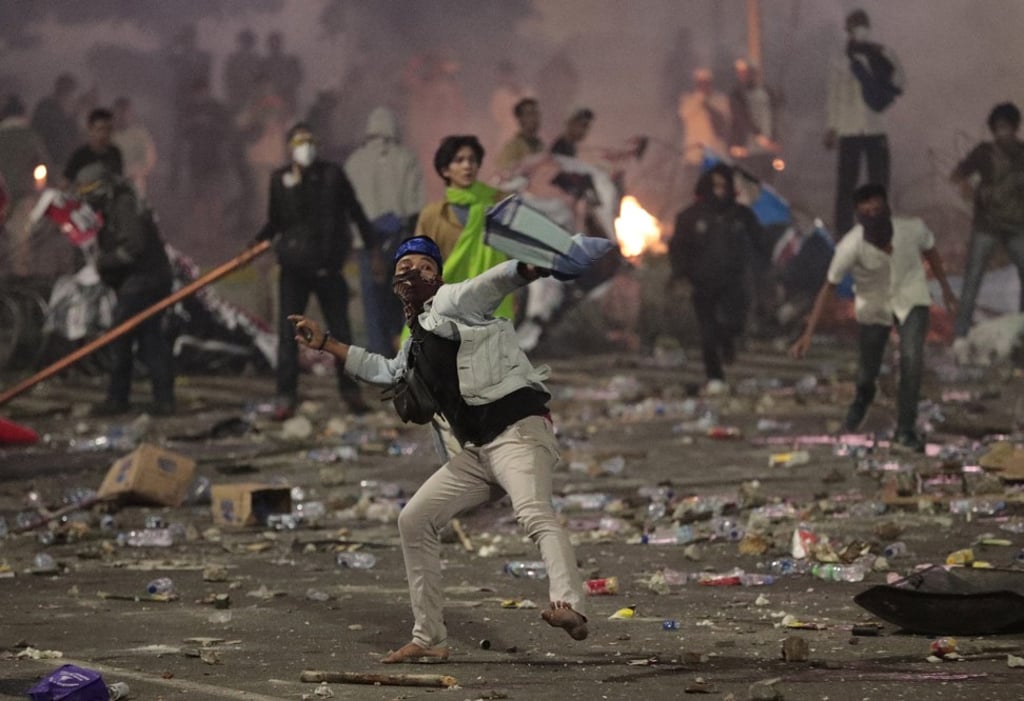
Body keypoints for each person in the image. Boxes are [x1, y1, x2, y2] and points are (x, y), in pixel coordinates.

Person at [288, 236, 589, 663]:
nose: (412, 272)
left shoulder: (452, 302)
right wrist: (326, 344)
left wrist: (536, 267)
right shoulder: (415, 339)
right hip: (476, 453)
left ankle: (570, 605)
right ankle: (429, 638)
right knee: (414, 520)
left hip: (517, 432)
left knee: (533, 512)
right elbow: (388, 371)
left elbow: (492, 282)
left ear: (438, 274)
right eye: (403, 266)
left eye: (423, 265)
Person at [789, 185, 957, 452]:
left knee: (911, 361)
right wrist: (808, 333)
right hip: (873, 307)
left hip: (911, 298)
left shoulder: (911, 229)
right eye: (866, 212)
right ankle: (862, 399)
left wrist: (946, 289)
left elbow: (931, 250)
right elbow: (828, 287)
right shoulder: (850, 246)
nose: (873, 217)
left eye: (877, 210)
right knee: (869, 369)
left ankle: (905, 429)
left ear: (887, 209)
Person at [255, 122, 378, 419]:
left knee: (340, 332)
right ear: (289, 147)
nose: (305, 147)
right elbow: (276, 222)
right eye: (299, 142)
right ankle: (286, 395)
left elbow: (355, 211)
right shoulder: (279, 180)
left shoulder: (332, 176)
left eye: (309, 141)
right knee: (288, 335)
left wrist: (372, 248)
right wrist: (256, 244)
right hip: (294, 269)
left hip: (327, 267)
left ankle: (351, 392)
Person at [75, 162, 176, 416]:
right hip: (145, 279)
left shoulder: (123, 204)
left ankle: (118, 399)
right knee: (150, 339)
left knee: (120, 337)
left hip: (146, 279)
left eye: (91, 191)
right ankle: (163, 399)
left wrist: (102, 263)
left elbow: (133, 248)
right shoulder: (115, 206)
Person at [668, 164, 763, 392]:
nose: (719, 191)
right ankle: (715, 376)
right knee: (707, 331)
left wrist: (762, 276)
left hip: (734, 281)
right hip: (703, 283)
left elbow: (759, 244)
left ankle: (728, 341)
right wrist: (681, 275)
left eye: (723, 185)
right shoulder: (690, 216)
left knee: (734, 323)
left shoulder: (742, 215)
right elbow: (679, 249)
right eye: (715, 185)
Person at [345, 107, 426, 355]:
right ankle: (403, 354)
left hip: (367, 244)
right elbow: (417, 207)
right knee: (404, 302)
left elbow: (347, 210)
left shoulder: (353, 163)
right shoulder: (407, 158)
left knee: (373, 304)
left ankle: (378, 356)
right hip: (400, 239)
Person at [950, 102, 1024, 345]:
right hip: (1000, 226)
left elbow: (957, 174)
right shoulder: (993, 152)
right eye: (1000, 128)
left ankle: (963, 335)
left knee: (973, 279)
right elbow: (958, 175)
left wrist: (968, 188)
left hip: (1003, 226)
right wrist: (966, 188)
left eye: (1005, 127)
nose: (1003, 132)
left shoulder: (993, 151)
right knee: (972, 279)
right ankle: (962, 335)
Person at [825, 9, 904, 237]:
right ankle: (843, 232)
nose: (859, 29)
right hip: (849, 130)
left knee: (878, 183)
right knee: (846, 185)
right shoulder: (840, 59)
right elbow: (834, 96)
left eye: (862, 24)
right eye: (855, 25)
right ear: (848, 30)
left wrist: (886, 57)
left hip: (875, 128)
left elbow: (901, 82)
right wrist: (832, 127)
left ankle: (878, 229)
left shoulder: (882, 53)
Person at [415, 135, 512, 319]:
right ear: (445, 170)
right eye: (459, 160)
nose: (467, 166)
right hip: (448, 304)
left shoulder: (496, 204)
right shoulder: (433, 215)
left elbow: (513, 251)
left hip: (492, 302)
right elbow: (420, 263)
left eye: (472, 160)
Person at [0, 95, 49, 275]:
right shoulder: (30, 136)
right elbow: (43, 165)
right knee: (20, 239)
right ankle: (21, 276)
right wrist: (41, 186)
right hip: (23, 194)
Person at [678, 68, 731, 166]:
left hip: (716, 150)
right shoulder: (688, 100)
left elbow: (724, 119)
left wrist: (708, 105)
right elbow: (684, 115)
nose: (703, 85)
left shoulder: (720, 99)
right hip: (694, 153)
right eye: (700, 82)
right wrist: (700, 100)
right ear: (696, 83)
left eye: (706, 82)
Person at [31, 73, 80, 173]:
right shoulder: (46, 110)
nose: (72, 97)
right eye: (71, 93)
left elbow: (74, 138)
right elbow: (37, 135)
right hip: (47, 164)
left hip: (62, 165)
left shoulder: (69, 114)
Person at [111, 97, 157, 197]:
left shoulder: (141, 135)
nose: (123, 116)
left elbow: (149, 160)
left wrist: (133, 173)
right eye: (119, 113)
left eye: (126, 112)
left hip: (134, 182)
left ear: (132, 114)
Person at [64, 107, 124, 184]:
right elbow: (65, 183)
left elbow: (119, 179)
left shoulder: (115, 153)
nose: (105, 134)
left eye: (109, 129)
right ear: (90, 129)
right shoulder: (80, 156)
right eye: (100, 129)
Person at [497, 97, 543, 172]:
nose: (535, 118)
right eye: (530, 114)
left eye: (536, 113)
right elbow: (501, 173)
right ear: (520, 119)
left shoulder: (541, 146)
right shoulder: (511, 148)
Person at [264, 32, 303, 116]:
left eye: (276, 43)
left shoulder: (290, 60)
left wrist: (288, 86)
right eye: (272, 43)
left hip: (288, 97)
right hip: (270, 99)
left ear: (280, 44)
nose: (274, 45)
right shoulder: (264, 63)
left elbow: (298, 77)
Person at [223, 29, 262, 115]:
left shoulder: (257, 59)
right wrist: (231, 92)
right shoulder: (233, 58)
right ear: (240, 42)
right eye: (244, 41)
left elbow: (261, 78)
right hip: (236, 94)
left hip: (253, 95)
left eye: (248, 41)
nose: (246, 44)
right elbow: (227, 78)